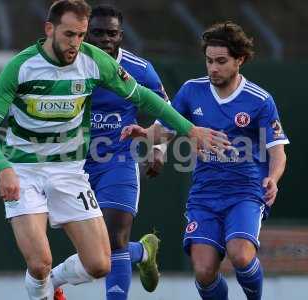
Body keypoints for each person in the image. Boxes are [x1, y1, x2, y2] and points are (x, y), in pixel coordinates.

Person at [0, 0, 230, 299]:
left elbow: (146, 98)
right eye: (70, 34)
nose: (76, 43)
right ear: (49, 29)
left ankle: (53, 282)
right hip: (24, 171)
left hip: (70, 170)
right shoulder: (21, 67)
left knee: (100, 263)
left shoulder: (95, 61)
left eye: (81, 35)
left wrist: (189, 129)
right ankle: (43, 286)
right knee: (40, 262)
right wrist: (4, 168)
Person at [121, 21, 289, 300]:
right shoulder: (191, 91)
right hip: (205, 194)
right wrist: (144, 134)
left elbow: (277, 151)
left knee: (240, 256)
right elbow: (163, 131)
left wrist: (273, 177)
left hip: (244, 191)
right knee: (203, 270)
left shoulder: (259, 100)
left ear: (240, 60)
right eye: (209, 61)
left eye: (221, 61)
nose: (213, 68)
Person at [80, 5, 166, 300]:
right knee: (94, 251)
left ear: (121, 36)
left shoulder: (139, 69)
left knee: (113, 237)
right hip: (74, 165)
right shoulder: (70, 66)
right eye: (98, 32)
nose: (105, 39)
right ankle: (143, 251)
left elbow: (165, 111)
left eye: (111, 33)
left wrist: (158, 147)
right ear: (85, 33)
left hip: (117, 160)